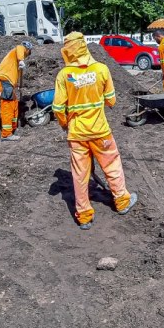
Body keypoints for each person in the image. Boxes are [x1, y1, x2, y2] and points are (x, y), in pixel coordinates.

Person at [52, 32, 137, 230]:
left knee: (80, 175)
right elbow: (111, 100)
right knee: (112, 166)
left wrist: (65, 124)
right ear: (84, 46)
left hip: (77, 134)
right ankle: (122, 202)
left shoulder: (64, 75)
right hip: (100, 131)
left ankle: (84, 216)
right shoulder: (101, 69)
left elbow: (57, 108)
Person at [0, 41, 32, 141]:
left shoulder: (14, 59)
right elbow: (20, 47)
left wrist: (16, 84)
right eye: (28, 53)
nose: (27, 56)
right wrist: (21, 60)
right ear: (27, 49)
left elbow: (13, 73)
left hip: (8, 84)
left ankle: (12, 128)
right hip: (4, 82)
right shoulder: (20, 49)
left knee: (14, 104)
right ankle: (6, 134)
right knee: (7, 108)